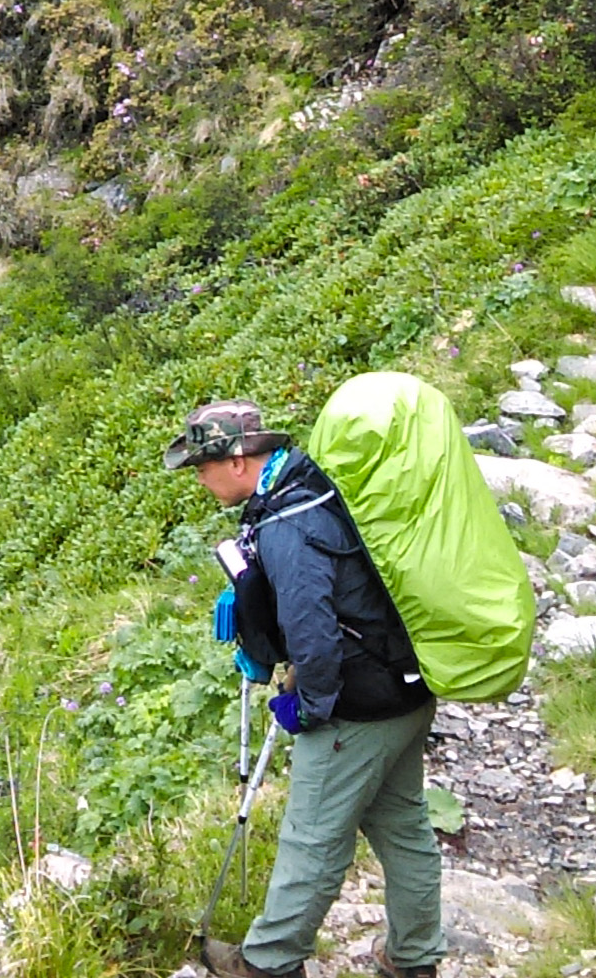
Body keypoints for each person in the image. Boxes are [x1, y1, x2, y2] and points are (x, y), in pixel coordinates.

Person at [169, 401, 442, 978]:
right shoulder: (316, 486)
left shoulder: (287, 524)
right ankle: (414, 959)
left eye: (202, 465)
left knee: (312, 837)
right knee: (404, 827)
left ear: (238, 461)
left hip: (358, 706)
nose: (198, 477)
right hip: (405, 685)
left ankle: (269, 963)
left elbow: (313, 630)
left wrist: (312, 707)